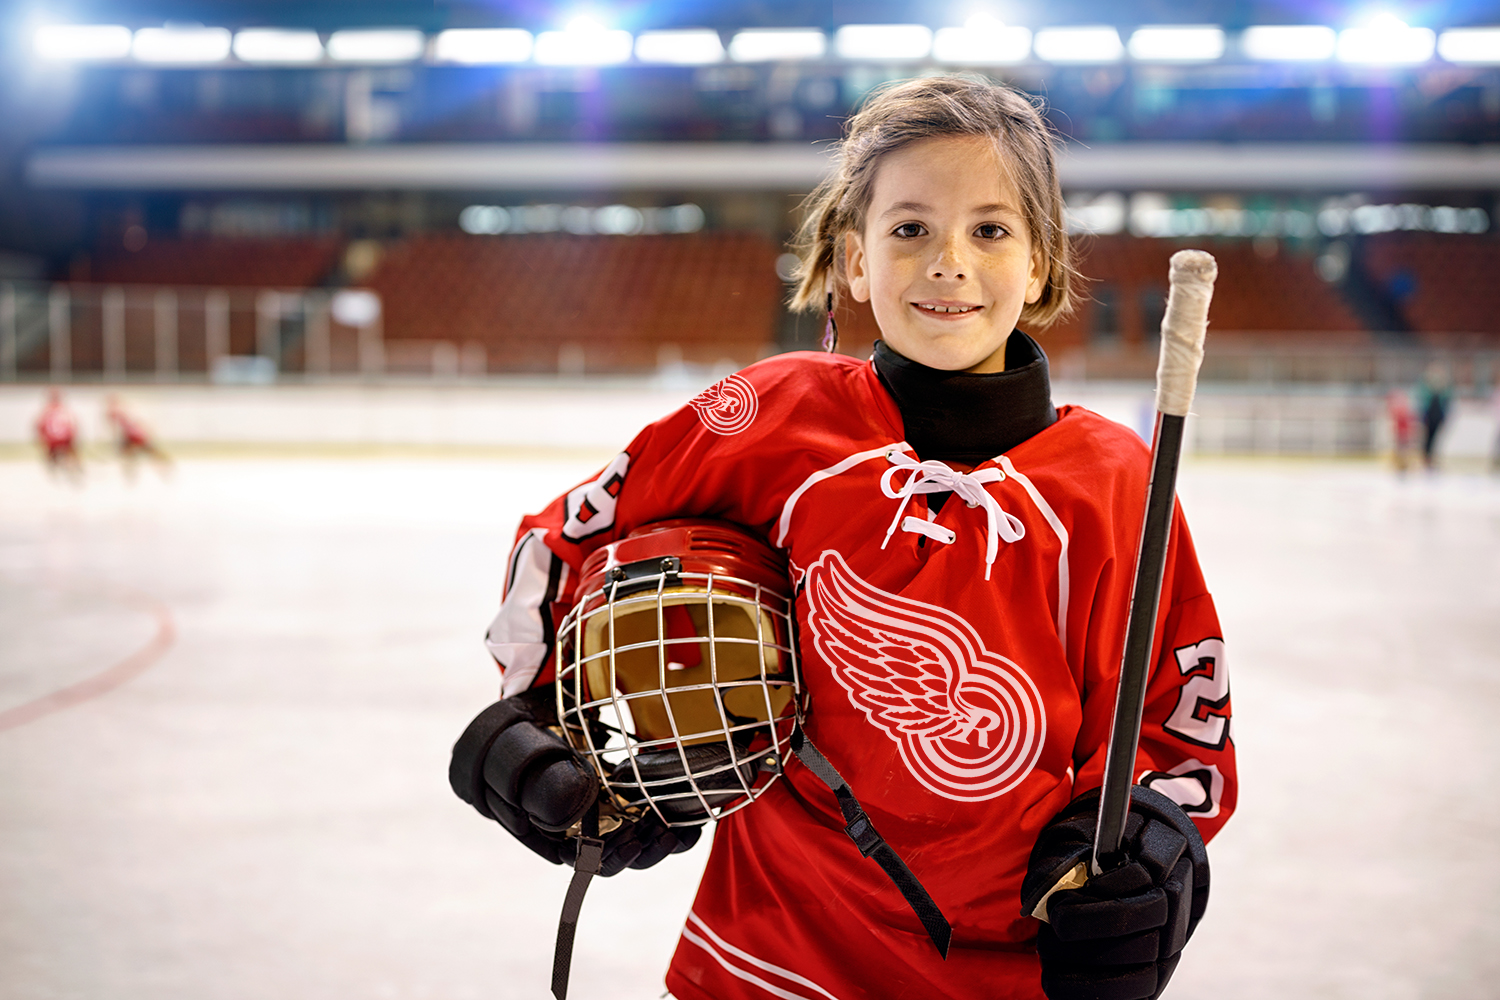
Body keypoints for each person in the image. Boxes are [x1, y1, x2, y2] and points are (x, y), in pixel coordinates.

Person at [450, 77, 1237, 1000]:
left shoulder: (1118, 483)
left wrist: (1150, 839)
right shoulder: (775, 418)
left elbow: (1178, 723)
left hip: (1011, 971)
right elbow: (568, 539)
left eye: (990, 230)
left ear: (1040, 265)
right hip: (773, 954)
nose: (949, 261)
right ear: (855, 261)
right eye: (909, 229)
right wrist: (538, 719)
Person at [105, 395, 171, 481]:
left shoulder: (117, 412)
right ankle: (131, 470)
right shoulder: (122, 410)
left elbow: (119, 426)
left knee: (141, 452)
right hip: (133, 435)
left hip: (134, 435)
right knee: (143, 452)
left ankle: (131, 471)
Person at [35, 388, 83, 484]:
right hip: (65, 437)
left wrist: (41, 439)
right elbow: (72, 424)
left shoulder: (46, 410)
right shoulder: (63, 409)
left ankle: (54, 471)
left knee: (50, 455)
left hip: (52, 439)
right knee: (71, 454)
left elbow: (39, 426)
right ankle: (76, 469)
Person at [1415, 362, 1453, 472]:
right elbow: (1421, 400)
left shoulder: (1444, 388)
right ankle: (1426, 459)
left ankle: (1431, 459)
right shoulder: (1425, 387)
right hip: (1428, 417)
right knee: (1427, 438)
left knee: (1435, 439)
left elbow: (1447, 402)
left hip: (1437, 417)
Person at [1387, 389, 1415, 475]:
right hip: (1400, 433)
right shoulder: (1399, 411)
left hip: (1404, 434)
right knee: (1400, 450)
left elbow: (1409, 423)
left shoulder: (1405, 411)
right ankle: (1399, 465)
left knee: (1403, 450)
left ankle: (1403, 465)